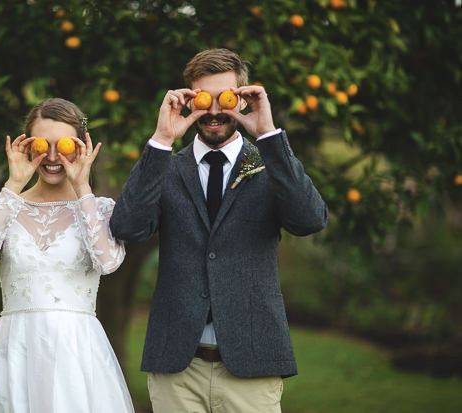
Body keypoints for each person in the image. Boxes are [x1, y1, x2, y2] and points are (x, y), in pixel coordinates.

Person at [109, 49, 328, 412]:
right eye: (202, 99)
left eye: (224, 99)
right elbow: (128, 227)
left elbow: (310, 220)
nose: (212, 111)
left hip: (252, 366)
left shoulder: (269, 165)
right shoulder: (165, 166)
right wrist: (161, 140)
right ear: (188, 99)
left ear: (241, 98)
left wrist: (268, 134)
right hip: (177, 369)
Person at [0, 98, 134, 413]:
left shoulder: (100, 209)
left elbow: (107, 263)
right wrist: (13, 185)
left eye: (64, 145)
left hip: (77, 348)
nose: (53, 156)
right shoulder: (3, 204)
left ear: (81, 147)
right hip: (15, 347)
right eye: (43, 144)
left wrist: (82, 188)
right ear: (27, 147)